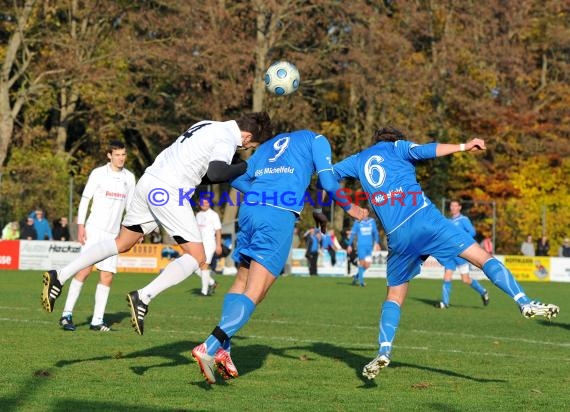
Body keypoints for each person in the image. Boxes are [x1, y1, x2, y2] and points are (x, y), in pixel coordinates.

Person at [331, 126, 560, 380]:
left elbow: (327, 176)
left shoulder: (359, 159)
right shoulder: (399, 147)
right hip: (426, 220)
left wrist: (349, 206)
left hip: (397, 235)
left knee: (395, 294)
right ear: (396, 139)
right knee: (483, 259)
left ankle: (384, 350)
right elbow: (429, 150)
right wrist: (464, 146)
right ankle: (523, 301)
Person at [41, 112, 274, 337]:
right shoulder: (226, 138)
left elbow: (199, 172)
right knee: (197, 257)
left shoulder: (207, 125)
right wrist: (248, 166)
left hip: (148, 181)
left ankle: (60, 274)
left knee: (122, 242)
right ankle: (143, 296)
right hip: (168, 191)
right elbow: (216, 173)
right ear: (246, 137)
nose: (244, 150)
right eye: (249, 147)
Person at [191, 129, 366, 384]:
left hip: (250, 211)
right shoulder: (317, 140)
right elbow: (328, 182)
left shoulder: (267, 147)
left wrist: (266, 194)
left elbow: (238, 178)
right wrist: (350, 208)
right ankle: (210, 345)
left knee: (241, 282)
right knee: (257, 290)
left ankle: (224, 350)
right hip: (277, 215)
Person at [56, 140, 136, 332]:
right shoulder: (98, 173)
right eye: (117, 155)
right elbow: (86, 199)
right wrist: (81, 225)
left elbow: (131, 207)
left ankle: (97, 321)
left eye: (123, 154)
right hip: (94, 229)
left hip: (113, 234)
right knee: (84, 270)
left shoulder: (130, 178)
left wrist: (134, 231)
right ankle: (66, 315)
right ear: (109, 155)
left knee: (107, 276)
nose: (121, 158)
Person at [436, 200, 489, 309]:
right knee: (447, 276)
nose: (453, 208)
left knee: (465, 279)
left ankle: (483, 291)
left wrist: (461, 240)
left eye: (455, 206)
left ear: (459, 207)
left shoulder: (463, 219)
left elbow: (472, 232)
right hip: (451, 253)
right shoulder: (448, 221)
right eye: (451, 206)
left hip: (461, 253)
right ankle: (445, 302)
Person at [195, 199, 222, 296]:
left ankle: (204, 292)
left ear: (209, 203)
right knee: (195, 267)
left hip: (209, 244)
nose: (204, 204)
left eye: (206, 202)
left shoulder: (213, 215)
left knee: (204, 265)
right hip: (199, 245)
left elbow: (218, 231)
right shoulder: (198, 215)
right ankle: (212, 282)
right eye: (202, 203)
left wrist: (218, 245)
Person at [347, 214, 380, 287]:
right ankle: (361, 282)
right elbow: (352, 234)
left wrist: (377, 242)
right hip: (361, 246)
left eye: (365, 212)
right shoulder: (357, 222)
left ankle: (356, 277)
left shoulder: (372, 222)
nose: (364, 214)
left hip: (369, 246)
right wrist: (349, 244)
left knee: (367, 265)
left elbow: (375, 233)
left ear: (368, 213)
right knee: (362, 263)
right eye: (362, 212)